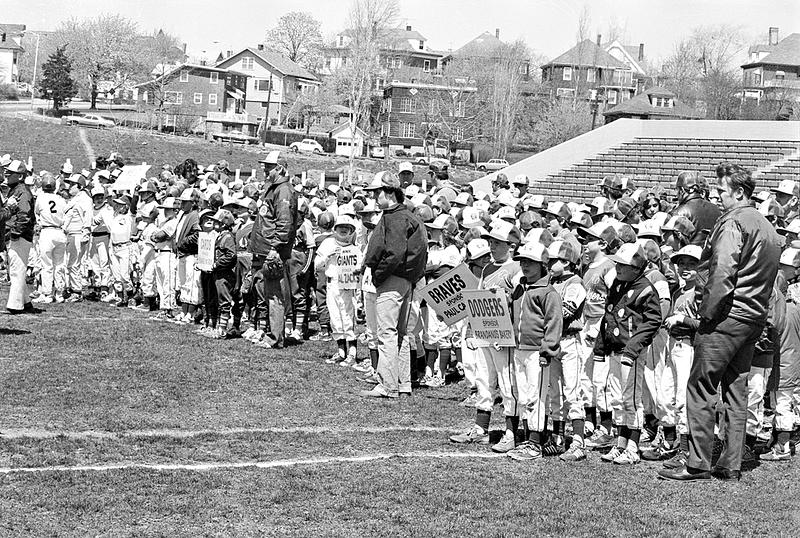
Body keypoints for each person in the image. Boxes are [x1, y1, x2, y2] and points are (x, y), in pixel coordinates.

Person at [659, 163, 780, 481]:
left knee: (700, 387)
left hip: (726, 316)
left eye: (722, 193)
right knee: (736, 391)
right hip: (752, 317)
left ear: (739, 192)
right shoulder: (767, 226)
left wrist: (704, 316)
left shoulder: (733, 222)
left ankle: (697, 462)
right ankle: (730, 464)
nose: (718, 198)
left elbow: (722, 272)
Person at [594, 242, 662, 465]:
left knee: (631, 399)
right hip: (615, 349)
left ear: (636, 267)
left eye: (623, 265)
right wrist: (601, 345)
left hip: (629, 352)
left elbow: (652, 321)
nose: (618, 268)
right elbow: (609, 315)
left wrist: (633, 348)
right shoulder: (617, 284)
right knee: (617, 399)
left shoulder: (645, 288)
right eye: (617, 264)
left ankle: (633, 446)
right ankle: (621, 443)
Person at [360, 172, 427, 399]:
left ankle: (388, 384)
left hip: (392, 279)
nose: (375, 198)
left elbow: (394, 252)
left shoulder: (394, 217)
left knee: (387, 333)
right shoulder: (409, 216)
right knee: (400, 333)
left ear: (388, 193)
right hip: (406, 280)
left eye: (377, 193)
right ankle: (403, 383)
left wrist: (378, 275)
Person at [505, 241, 563, 462]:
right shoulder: (520, 288)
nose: (525, 266)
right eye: (522, 261)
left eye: (531, 262)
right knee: (523, 395)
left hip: (537, 351)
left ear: (542, 265)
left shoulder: (548, 292)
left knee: (536, 396)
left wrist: (547, 350)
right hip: (519, 348)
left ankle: (536, 442)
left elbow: (553, 322)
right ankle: (529, 437)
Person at [249, 153, 298, 349]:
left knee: (275, 294)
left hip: (272, 250)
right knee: (268, 293)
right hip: (266, 248)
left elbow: (284, 223)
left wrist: (275, 247)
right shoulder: (274, 189)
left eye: (269, 166)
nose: (264, 169)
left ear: (279, 168)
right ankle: (273, 333)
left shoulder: (283, 191)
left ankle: (275, 337)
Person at [1, 160, 35, 313]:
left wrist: (15, 232)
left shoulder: (22, 191)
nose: (6, 174)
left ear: (20, 176)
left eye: (11, 172)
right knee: (16, 269)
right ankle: (26, 302)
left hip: (19, 236)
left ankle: (15, 305)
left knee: (16, 270)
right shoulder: (17, 190)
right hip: (16, 235)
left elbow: (24, 215)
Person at [32, 174, 67, 303]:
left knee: (46, 264)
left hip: (47, 231)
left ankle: (47, 293)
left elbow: (37, 213)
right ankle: (59, 292)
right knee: (59, 264)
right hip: (59, 231)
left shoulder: (40, 199)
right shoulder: (61, 199)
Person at [62, 174, 93, 302]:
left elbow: (88, 216)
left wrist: (86, 231)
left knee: (74, 263)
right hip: (71, 233)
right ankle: (71, 287)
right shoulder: (76, 198)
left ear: (79, 186)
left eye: (72, 184)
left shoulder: (84, 198)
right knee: (70, 262)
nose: (69, 187)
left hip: (78, 233)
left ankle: (77, 290)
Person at [672, 171, 721, 246]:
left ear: (682, 190)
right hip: (711, 255)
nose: (676, 194)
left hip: (689, 255)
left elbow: (674, 244)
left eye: (677, 190)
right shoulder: (716, 209)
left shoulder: (678, 212)